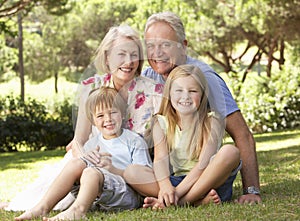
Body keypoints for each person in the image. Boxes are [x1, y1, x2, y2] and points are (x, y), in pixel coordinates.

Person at [2, 24, 162, 212]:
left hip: (131, 168)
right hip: (93, 160)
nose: (128, 61)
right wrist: (86, 156)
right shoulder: (92, 86)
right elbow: (79, 139)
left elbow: (162, 144)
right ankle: (38, 205)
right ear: (107, 57)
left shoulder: (154, 92)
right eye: (121, 54)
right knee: (73, 164)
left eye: (134, 54)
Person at [140, 11, 261, 204]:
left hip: (202, 171)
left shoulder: (204, 78)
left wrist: (252, 190)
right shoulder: (149, 76)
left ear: (184, 46)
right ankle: (188, 199)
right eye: (150, 46)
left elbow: (242, 134)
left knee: (229, 152)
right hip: (172, 176)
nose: (157, 53)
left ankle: (178, 200)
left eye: (165, 44)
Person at [15, 87, 152, 220]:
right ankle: (42, 207)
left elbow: (144, 178)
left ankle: (77, 211)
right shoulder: (92, 144)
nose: (108, 119)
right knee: (76, 163)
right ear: (93, 121)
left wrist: (114, 170)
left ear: (122, 114)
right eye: (100, 115)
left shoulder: (134, 141)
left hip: (126, 194)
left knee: (90, 172)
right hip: (97, 195)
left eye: (112, 112)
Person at [124, 64, 241, 208]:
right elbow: (160, 159)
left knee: (231, 152)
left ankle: (179, 203)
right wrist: (166, 186)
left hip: (209, 182)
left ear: (202, 94)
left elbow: (202, 166)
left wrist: (177, 194)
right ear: (169, 94)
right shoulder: (160, 122)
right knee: (131, 172)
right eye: (179, 90)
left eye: (192, 91)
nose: (185, 96)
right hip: (176, 181)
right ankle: (195, 202)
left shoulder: (212, 121)